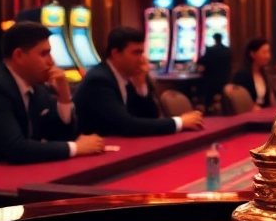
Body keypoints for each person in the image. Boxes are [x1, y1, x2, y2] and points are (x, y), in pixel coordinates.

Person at [0, 22, 105, 170]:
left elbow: (59, 138)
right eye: (44, 54)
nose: (52, 61)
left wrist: (64, 98)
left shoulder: (37, 88)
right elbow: (16, 148)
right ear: (19, 55)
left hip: (15, 175)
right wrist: (75, 148)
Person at [76, 26, 205, 137]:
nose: (142, 59)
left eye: (142, 52)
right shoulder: (99, 80)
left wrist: (141, 85)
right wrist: (180, 122)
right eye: (136, 53)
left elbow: (150, 117)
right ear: (115, 53)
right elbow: (127, 125)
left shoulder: (128, 75)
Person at [232, 37, 276, 108]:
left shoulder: (264, 73)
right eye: (264, 52)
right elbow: (239, 101)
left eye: (268, 52)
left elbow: (270, 98)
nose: (268, 56)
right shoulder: (241, 75)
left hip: (263, 113)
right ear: (252, 54)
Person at [197, 32, 233, 109]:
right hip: (225, 80)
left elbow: (200, 61)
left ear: (214, 39)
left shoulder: (210, 50)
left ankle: (207, 109)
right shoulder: (227, 50)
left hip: (211, 81)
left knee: (202, 90)